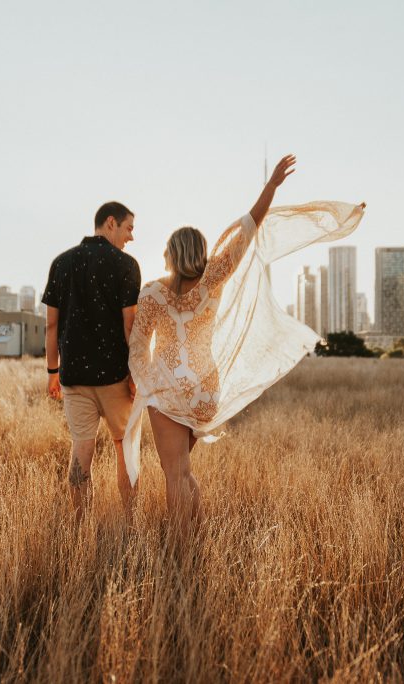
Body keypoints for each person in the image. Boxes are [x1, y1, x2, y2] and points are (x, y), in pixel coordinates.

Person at [123, 155, 365, 530]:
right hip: (204, 389)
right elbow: (249, 229)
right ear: (200, 253)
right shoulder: (214, 277)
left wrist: (144, 382)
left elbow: (138, 345)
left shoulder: (153, 292)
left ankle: (180, 546)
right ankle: (196, 535)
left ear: (169, 253)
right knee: (184, 471)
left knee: (173, 474)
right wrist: (270, 187)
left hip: (168, 390)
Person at [42, 201, 140, 525]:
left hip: (74, 380)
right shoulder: (126, 265)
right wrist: (136, 373)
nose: (131, 237)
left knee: (81, 453)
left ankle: (80, 528)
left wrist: (52, 372)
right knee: (124, 450)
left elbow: (51, 326)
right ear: (110, 223)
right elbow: (130, 326)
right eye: (129, 228)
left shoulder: (61, 263)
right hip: (115, 379)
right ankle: (128, 524)